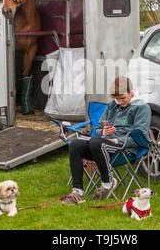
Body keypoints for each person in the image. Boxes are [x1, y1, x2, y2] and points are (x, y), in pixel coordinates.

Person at [62, 76, 152, 205]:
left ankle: (107, 183)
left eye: (122, 98)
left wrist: (116, 140)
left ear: (132, 92)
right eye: (116, 99)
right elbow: (97, 129)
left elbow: (141, 137)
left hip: (124, 150)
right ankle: (78, 193)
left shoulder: (142, 108)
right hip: (100, 146)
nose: (119, 102)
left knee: (96, 142)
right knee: (75, 144)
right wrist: (105, 132)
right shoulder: (112, 105)